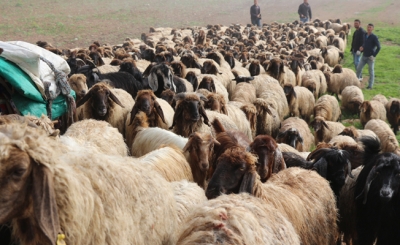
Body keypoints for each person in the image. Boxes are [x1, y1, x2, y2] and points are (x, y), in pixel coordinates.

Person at [356, 23, 381, 89]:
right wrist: (361, 48)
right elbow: (365, 44)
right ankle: (355, 83)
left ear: (372, 29)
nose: (369, 28)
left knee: (371, 71)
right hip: (364, 56)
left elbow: (379, 47)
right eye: (368, 27)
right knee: (358, 69)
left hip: (370, 58)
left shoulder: (374, 37)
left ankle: (370, 86)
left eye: (370, 27)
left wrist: (374, 55)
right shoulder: (365, 35)